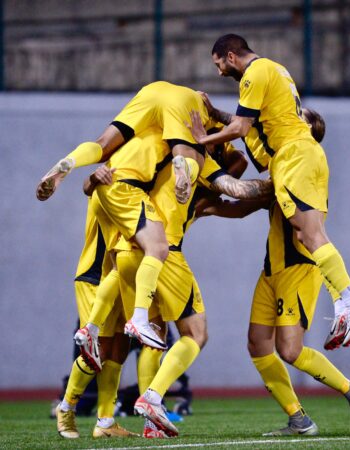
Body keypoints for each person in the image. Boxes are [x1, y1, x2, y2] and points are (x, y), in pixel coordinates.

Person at [187, 34, 350, 350]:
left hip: (292, 157)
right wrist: (215, 113)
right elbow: (251, 122)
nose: (219, 72)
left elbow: (241, 128)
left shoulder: (254, 74)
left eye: (219, 64)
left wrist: (200, 140)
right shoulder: (274, 70)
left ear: (231, 56)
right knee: (308, 233)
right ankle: (344, 301)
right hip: (301, 156)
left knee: (309, 233)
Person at [80, 129, 269, 437]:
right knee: (196, 334)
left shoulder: (156, 162)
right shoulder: (199, 170)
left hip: (126, 255)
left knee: (151, 339)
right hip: (165, 255)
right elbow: (238, 182)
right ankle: (152, 398)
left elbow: (91, 186)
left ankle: (137, 421)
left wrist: (91, 178)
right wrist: (277, 188)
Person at [199, 108, 350, 436]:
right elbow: (243, 207)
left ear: (308, 131)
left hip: (298, 268)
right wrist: (208, 209)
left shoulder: (303, 168)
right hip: (272, 268)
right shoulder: (283, 170)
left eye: (299, 115)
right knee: (257, 344)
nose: (288, 116)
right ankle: (298, 418)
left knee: (290, 350)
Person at [36, 82, 216, 356]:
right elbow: (238, 145)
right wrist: (212, 116)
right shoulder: (197, 121)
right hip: (128, 195)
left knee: (101, 145)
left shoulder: (133, 141)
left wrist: (91, 176)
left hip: (147, 97)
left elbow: (88, 187)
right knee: (158, 246)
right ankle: (185, 170)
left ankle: (70, 160)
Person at [55, 180, 138, 439]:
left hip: (123, 278)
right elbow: (88, 184)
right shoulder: (110, 182)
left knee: (119, 348)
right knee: (97, 350)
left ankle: (105, 421)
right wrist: (93, 177)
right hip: (95, 277)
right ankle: (66, 407)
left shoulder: (143, 189)